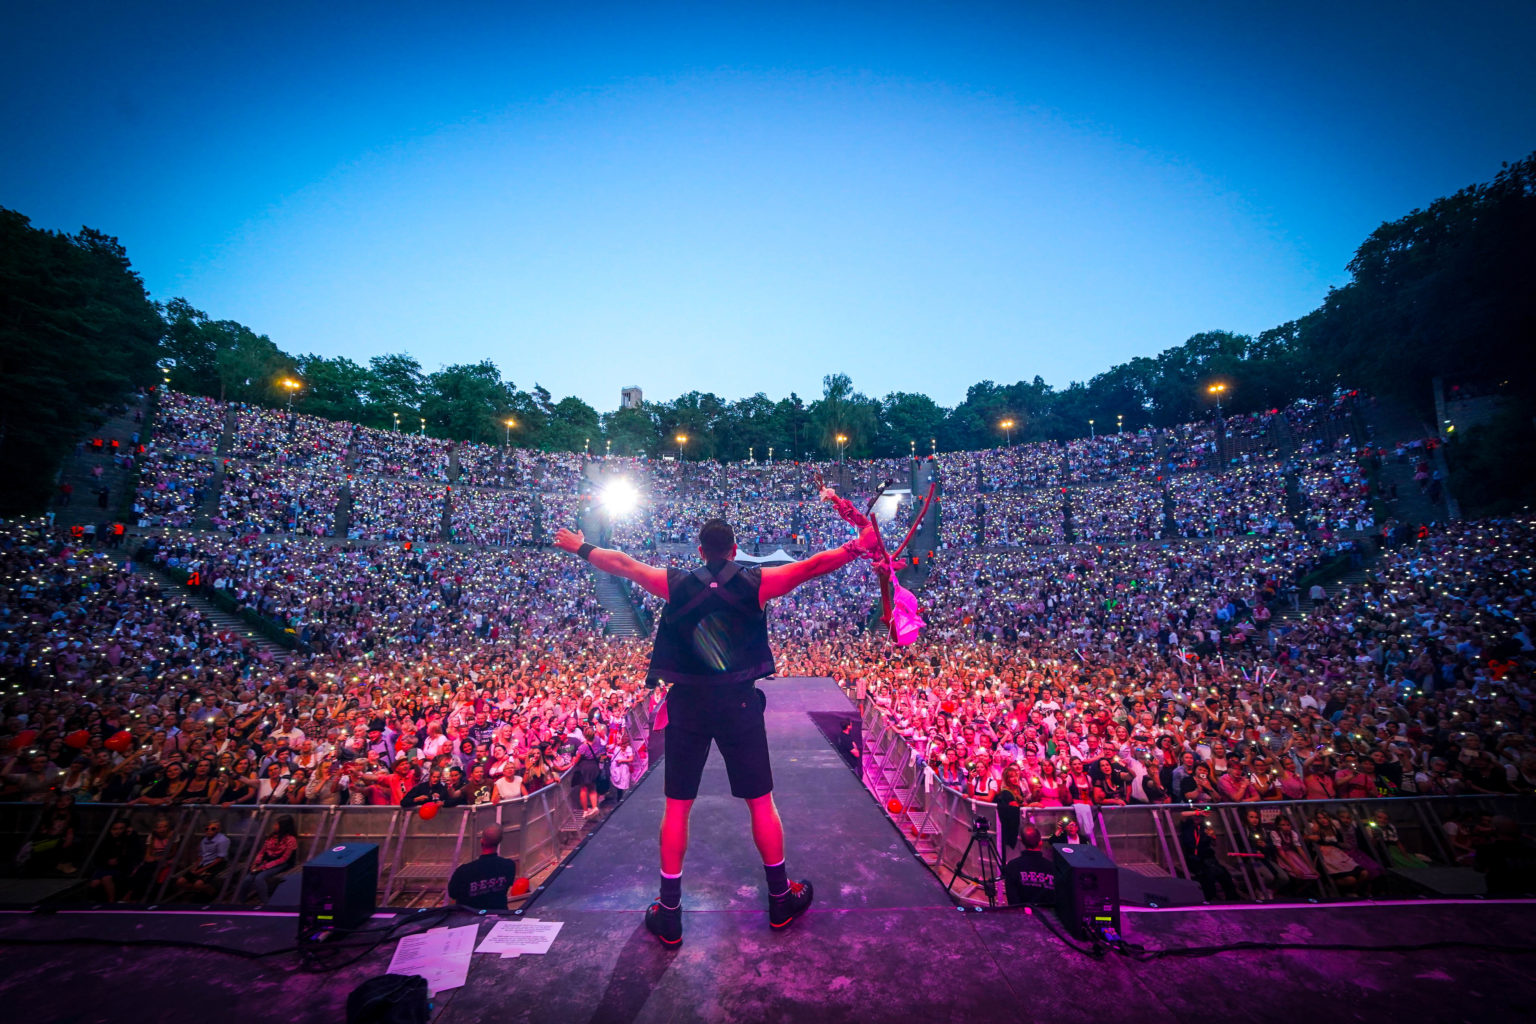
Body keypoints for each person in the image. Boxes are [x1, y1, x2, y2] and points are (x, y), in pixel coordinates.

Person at [555, 514, 878, 946]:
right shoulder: (755, 583)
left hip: (687, 703)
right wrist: (858, 546)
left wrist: (581, 546)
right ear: (734, 548)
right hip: (738, 702)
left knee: (677, 807)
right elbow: (811, 567)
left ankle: (669, 912)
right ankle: (780, 899)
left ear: (700, 550)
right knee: (761, 802)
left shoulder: (676, 583)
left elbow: (624, 565)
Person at [447, 825, 520, 911]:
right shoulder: (509, 865)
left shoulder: (463, 871)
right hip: (499, 914)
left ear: (482, 841)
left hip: (469, 918)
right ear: (499, 842)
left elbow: (452, 894)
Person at [241, 815, 299, 904]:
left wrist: (263, 867)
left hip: (283, 863)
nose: (274, 826)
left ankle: (266, 903)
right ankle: (241, 901)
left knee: (259, 878)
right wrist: (256, 863)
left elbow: (284, 859)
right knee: (247, 879)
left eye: (276, 824)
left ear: (283, 826)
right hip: (267, 862)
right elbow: (262, 851)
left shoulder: (291, 839)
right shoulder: (272, 837)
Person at [1002, 826, 1055, 906]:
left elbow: (1012, 901)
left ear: (1022, 841)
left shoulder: (1013, 866)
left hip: (1022, 916)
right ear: (1040, 842)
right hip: (1046, 916)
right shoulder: (1052, 867)